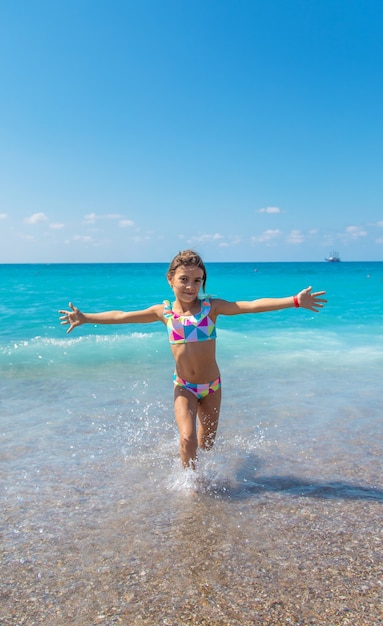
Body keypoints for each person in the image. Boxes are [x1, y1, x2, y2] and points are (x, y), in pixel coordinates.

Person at [59, 249, 327, 469]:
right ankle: (190, 484)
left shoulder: (211, 308)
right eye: (184, 279)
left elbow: (251, 305)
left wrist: (294, 300)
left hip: (212, 388)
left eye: (197, 280)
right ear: (170, 279)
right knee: (188, 438)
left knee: (206, 444)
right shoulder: (163, 312)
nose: (191, 286)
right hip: (184, 386)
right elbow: (121, 316)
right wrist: (86, 318)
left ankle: (205, 472)